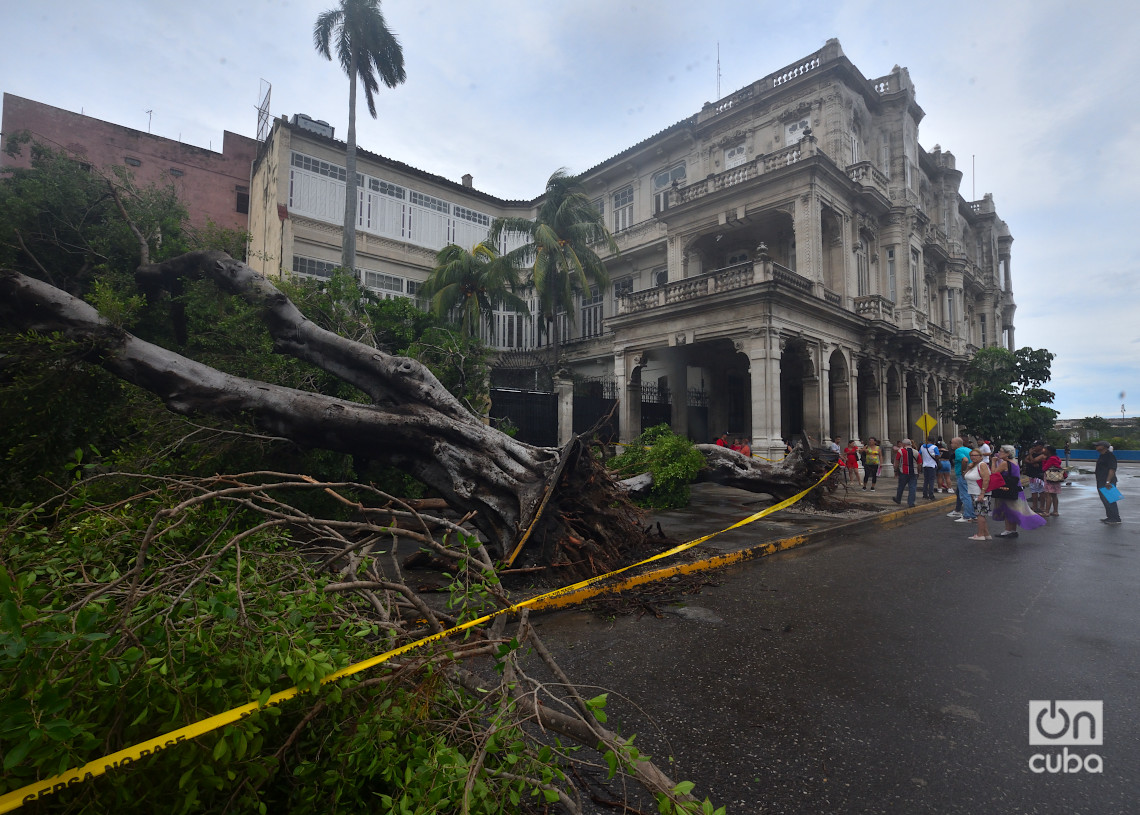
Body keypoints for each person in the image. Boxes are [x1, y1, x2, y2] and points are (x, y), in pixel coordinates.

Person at [990, 445, 1046, 538]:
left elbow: (994, 473)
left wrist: (993, 462)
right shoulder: (1014, 462)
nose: (999, 453)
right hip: (1016, 489)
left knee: (1008, 509)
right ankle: (1012, 530)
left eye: (1001, 451)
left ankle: (1008, 530)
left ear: (1007, 453)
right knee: (1014, 510)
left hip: (1007, 489)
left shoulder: (1005, 463)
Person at [962, 448, 992, 540]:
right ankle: (986, 534)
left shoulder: (982, 465)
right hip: (974, 492)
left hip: (980, 493)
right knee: (980, 514)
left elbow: (986, 479)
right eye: (972, 455)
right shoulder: (974, 466)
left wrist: (982, 493)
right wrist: (968, 467)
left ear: (981, 457)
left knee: (980, 514)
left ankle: (980, 535)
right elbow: (964, 476)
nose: (973, 457)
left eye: (976, 455)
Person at [948, 437, 976, 524]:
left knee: (965, 495)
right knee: (961, 492)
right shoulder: (968, 449)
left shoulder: (958, 451)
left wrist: (963, 471)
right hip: (970, 474)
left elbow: (965, 460)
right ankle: (965, 512)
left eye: (952, 443)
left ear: (957, 444)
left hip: (962, 475)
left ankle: (968, 515)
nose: (951, 445)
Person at [1094, 441, 1122, 525]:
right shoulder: (1102, 455)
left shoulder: (1110, 456)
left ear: (1104, 447)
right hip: (1101, 481)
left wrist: (1108, 481)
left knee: (1110, 500)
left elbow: (1112, 469)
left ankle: (1115, 518)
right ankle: (1110, 517)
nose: (1096, 446)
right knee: (1105, 500)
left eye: (1098, 445)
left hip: (1107, 482)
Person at [893, 438, 918, 508]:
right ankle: (911, 502)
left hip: (903, 471)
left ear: (904, 444)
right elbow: (919, 463)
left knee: (901, 486)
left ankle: (898, 499)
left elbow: (897, 461)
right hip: (913, 472)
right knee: (912, 487)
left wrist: (896, 470)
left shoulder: (900, 451)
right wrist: (918, 471)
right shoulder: (916, 452)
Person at [1021, 442, 1047, 514]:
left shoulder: (1042, 455)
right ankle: (1035, 506)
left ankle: (1041, 506)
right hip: (1032, 474)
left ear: (1040, 446)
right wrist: (1031, 461)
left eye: (1036, 446)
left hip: (1038, 475)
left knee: (1040, 491)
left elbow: (1032, 460)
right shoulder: (1034, 453)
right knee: (1034, 491)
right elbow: (1026, 460)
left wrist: (1030, 455)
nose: (1034, 447)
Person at [1040, 445, 1064, 517]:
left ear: (1048, 451)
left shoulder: (1051, 459)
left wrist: (1044, 460)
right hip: (1055, 478)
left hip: (1049, 478)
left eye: (1045, 449)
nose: (1043, 450)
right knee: (1054, 495)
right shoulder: (1056, 458)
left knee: (1048, 494)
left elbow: (1044, 468)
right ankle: (1055, 511)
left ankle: (1046, 512)